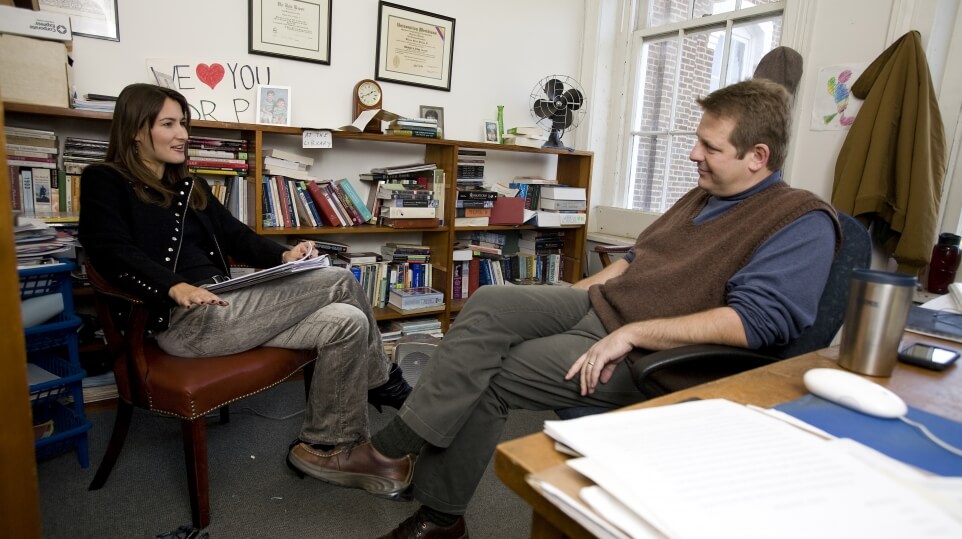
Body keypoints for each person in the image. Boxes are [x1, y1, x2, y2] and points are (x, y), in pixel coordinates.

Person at [366, 78, 841, 538]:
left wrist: (633, 335)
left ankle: (439, 514)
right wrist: (567, 297)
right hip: (603, 308)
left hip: (645, 354)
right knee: (490, 302)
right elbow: (637, 261)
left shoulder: (800, 221)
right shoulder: (703, 195)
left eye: (710, 147)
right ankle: (399, 450)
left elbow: (756, 323)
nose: (694, 154)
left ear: (758, 157)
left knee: (493, 374)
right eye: (698, 141)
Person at [78, 83, 414, 501]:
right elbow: (109, 251)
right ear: (134, 131)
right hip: (185, 322)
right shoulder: (103, 180)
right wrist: (174, 286)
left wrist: (284, 254)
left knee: (349, 321)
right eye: (168, 123)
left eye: (183, 122)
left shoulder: (189, 186)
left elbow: (237, 236)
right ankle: (382, 382)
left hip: (232, 305)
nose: (182, 133)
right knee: (340, 279)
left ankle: (327, 446)